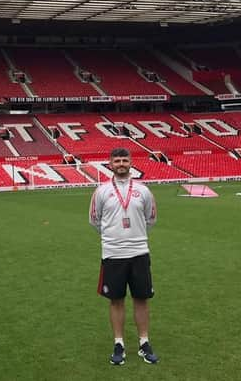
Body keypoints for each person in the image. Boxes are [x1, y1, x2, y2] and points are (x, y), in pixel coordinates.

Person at [89, 147, 159, 366]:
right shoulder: (101, 191)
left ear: (131, 163)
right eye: (117, 160)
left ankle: (144, 343)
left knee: (141, 298)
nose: (121, 163)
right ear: (110, 163)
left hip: (139, 252)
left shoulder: (143, 190)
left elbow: (151, 218)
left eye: (125, 160)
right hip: (113, 254)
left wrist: (134, 236)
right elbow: (94, 220)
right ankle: (118, 343)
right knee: (116, 300)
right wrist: (113, 237)